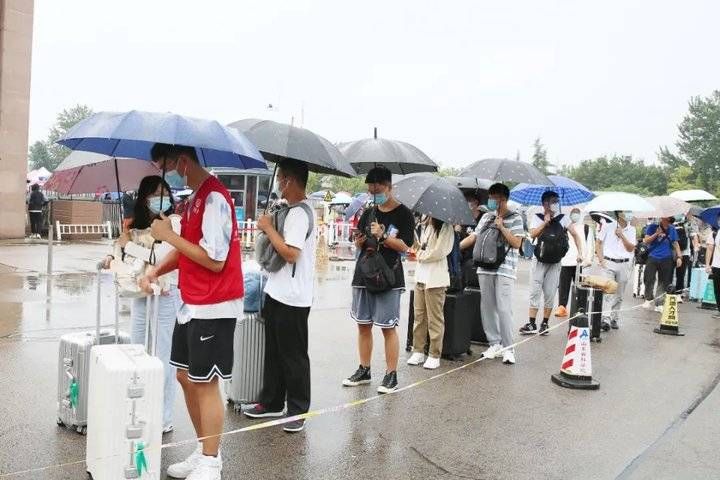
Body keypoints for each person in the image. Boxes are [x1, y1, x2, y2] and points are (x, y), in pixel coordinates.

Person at [141, 143, 244, 480]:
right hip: (191, 302)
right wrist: (157, 269)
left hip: (214, 303)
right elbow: (187, 251)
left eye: (165, 165)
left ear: (182, 162)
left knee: (205, 381)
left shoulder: (214, 198)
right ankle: (203, 450)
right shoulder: (193, 199)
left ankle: (212, 461)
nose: (165, 172)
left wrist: (169, 235)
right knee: (185, 376)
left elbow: (215, 260)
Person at [243, 159, 316, 433]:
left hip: (293, 296)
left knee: (293, 355)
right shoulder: (291, 210)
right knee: (273, 352)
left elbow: (290, 253)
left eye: (280, 178)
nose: (278, 183)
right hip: (276, 290)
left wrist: (269, 229)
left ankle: (298, 409)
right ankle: (271, 402)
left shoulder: (300, 213)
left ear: (290, 180)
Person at [102, 176, 179, 433]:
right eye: (154, 193)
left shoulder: (174, 223)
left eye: (164, 192)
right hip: (141, 295)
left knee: (162, 356)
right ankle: (138, 407)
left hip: (165, 296)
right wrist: (116, 250)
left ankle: (163, 416)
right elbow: (126, 257)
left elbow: (161, 258)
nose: (160, 198)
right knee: (137, 351)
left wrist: (130, 248)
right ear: (144, 198)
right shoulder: (137, 227)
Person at [343, 166, 414, 393]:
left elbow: (405, 247)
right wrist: (360, 241)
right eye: (371, 191)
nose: (374, 194)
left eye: (378, 189)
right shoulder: (368, 212)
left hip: (388, 276)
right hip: (365, 272)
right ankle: (364, 369)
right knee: (363, 324)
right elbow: (362, 241)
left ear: (389, 187)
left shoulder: (404, 214)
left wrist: (383, 236)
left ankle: (390, 374)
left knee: (387, 327)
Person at [459, 183, 525, 364]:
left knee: (504, 309)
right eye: (490, 197)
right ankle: (494, 343)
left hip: (505, 269)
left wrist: (502, 227)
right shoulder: (487, 217)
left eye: (494, 198)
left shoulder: (516, 218)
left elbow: (517, 243)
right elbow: (474, 237)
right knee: (487, 306)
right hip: (484, 267)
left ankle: (508, 348)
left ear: (503, 199)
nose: (491, 201)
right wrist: (456, 248)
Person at [519, 192, 582, 336]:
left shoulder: (563, 219)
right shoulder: (537, 218)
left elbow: (576, 235)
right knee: (535, 291)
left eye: (556, 201)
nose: (555, 204)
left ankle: (545, 323)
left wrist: (580, 252)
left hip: (555, 262)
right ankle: (532, 323)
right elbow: (532, 235)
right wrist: (545, 222)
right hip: (539, 260)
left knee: (550, 292)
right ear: (544, 204)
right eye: (552, 201)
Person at [407, 215, 454, 369]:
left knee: (435, 319)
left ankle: (434, 353)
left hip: (436, 279)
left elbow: (439, 251)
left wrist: (420, 255)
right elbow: (422, 247)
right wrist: (416, 243)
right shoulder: (425, 226)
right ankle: (418, 350)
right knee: (419, 316)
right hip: (421, 276)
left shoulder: (446, 227)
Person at [595, 212, 636, 329]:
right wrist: (601, 260)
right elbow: (598, 242)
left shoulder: (631, 229)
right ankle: (606, 318)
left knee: (619, 294)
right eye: (625, 211)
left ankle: (614, 318)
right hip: (609, 263)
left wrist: (622, 235)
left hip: (624, 263)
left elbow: (630, 248)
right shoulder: (608, 226)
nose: (628, 214)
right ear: (619, 213)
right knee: (608, 291)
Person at [556, 208, 594, 317]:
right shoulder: (565, 227)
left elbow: (590, 245)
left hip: (581, 263)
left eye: (577, 213)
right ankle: (562, 307)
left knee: (580, 287)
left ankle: (580, 309)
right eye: (573, 213)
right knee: (563, 287)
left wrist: (588, 259)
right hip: (566, 261)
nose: (575, 215)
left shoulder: (586, 228)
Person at [642, 217, 683, 312]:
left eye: (669, 220)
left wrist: (679, 257)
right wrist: (656, 233)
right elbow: (646, 240)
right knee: (648, 278)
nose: (668, 221)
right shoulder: (652, 227)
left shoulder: (672, 229)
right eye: (666, 219)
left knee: (664, 281)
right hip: (653, 256)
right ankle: (648, 298)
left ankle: (659, 303)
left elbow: (675, 243)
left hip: (667, 257)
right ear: (662, 218)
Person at [674, 212, 697, 298]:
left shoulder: (673, 223)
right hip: (683, 252)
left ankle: (673, 292)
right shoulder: (687, 223)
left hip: (676, 252)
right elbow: (693, 236)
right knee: (680, 274)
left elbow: (693, 236)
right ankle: (678, 294)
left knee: (675, 274)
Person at [704, 213, 720, 319]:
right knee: (717, 289)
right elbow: (709, 249)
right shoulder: (715, 233)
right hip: (717, 265)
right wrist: (707, 264)